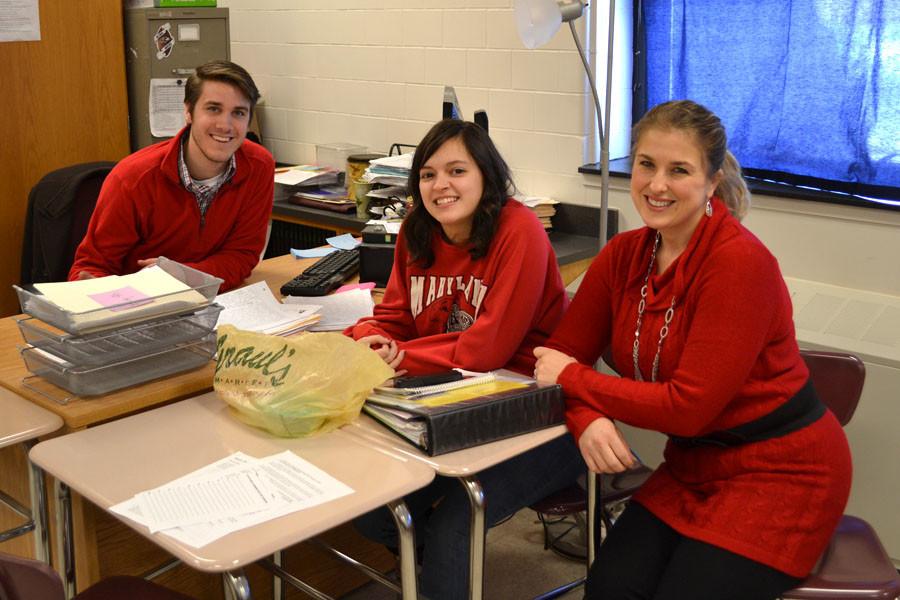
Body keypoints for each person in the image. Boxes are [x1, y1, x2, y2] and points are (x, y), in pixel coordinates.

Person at [534, 100, 851, 600]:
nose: (657, 185)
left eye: (678, 170)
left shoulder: (739, 265)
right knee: (609, 589)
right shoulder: (622, 255)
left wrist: (575, 381)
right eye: (646, 165)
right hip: (693, 466)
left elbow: (686, 408)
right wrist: (587, 418)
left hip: (782, 474)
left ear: (712, 180)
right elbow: (557, 355)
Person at [345, 118, 585, 600]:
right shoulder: (417, 229)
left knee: (454, 521)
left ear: (486, 178)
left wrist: (401, 356)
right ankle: (434, 578)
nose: (441, 186)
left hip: (538, 412)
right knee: (370, 503)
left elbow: (486, 351)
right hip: (445, 401)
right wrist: (373, 338)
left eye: (457, 170)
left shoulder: (519, 231)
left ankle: (436, 577)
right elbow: (390, 314)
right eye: (428, 174)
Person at [69, 59, 274, 292]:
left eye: (238, 113)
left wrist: (182, 276)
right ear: (188, 112)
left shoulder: (259, 166)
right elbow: (90, 268)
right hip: (137, 307)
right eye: (213, 109)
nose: (225, 125)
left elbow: (241, 256)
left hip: (211, 301)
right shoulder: (133, 177)